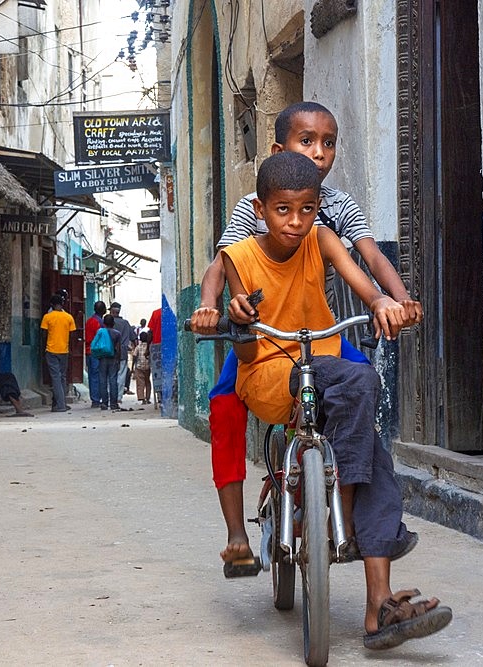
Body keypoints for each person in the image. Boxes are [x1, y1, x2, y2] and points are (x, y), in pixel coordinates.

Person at [197, 152, 449, 649]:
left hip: (323, 361)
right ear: (261, 209)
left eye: (307, 209)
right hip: (269, 371)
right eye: (283, 210)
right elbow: (218, 287)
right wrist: (219, 311)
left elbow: (362, 277)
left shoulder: (321, 238)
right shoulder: (241, 255)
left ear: (317, 208)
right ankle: (344, 515)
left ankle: (378, 607)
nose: (295, 221)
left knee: (372, 437)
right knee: (359, 389)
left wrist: (382, 302)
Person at [191, 101, 424, 568]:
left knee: (364, 399)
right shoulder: (253, 205)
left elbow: (371, 260)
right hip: (264, 333)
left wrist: (397, 298)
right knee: (224, 404)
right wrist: (210, 307)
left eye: (328, 143)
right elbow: (223, 263)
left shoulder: (335, 209)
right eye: (306, 142)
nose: (318, 153)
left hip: (320, 333)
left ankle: (351, 509)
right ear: (279, 150)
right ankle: (237, 532)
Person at [40, 294, 76, 412]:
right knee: (62, 377)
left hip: (51, 350)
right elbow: (72, 335)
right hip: (64, 350)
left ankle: (60, 405)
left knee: (55, 378)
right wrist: (71, 349)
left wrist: (42, 350)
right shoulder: (69, 317)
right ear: (62, 304)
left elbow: (44, 335)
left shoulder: (47, 317)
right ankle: (62, 403)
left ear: (52, 304)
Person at [108, 302, 135, 400]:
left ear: (111, 311)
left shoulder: (107, 322)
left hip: (110, 352)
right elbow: (133, 337)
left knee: (110, 374)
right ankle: (118, 397)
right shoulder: (125, 323)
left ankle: (110, 396)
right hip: (123, 352)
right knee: (121, 374)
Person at [97, 314, 122, 411]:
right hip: (113, 358)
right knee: (113, 380)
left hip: (102, 358)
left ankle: (104, 403)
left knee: (102, 380)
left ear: (104, 323)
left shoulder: (100, 332)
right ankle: (113, 403)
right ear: (113, 323)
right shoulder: (117, 334)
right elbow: (118, 348)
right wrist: (119, 360)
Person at [84, 301, 107, 407]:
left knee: (92, 376)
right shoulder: (100, 323)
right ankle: (98, 398)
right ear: (103, 310)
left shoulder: (89, 321)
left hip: (89, 351)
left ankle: (95, 399)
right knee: (99, 375)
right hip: (97, 352)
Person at [132, 330, 153, 405]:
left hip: (139, 367)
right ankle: (148, 397)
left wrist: (132, 367)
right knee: (147, 382)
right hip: (147, 367)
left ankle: (142, 398)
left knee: (140, 383)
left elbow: (134, 356)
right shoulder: (149, 347)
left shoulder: (138, 347)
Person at [148, 307, 162, 407]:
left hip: (157, 347)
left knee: (158, 373)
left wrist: (147, 349)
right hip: (171, 345)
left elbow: (151, 332)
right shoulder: (175, 310)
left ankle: (160, 396)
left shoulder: (156, 313)